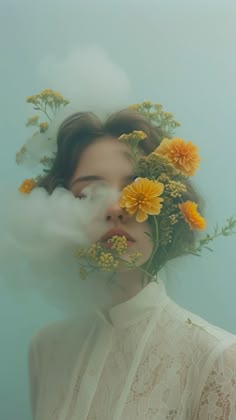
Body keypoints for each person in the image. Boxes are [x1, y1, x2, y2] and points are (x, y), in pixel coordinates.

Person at [27, 109, 236, 419]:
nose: (114, 208)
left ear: (168, 211)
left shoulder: (216, 359)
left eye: (134, 187)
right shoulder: (46, 349)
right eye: (88, 193)